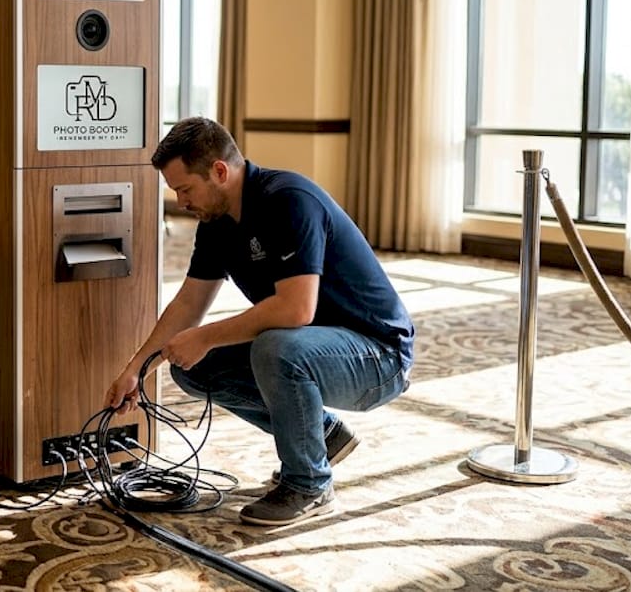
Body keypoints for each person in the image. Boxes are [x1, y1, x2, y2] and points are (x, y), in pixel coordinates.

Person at [104, 117, 414, 526]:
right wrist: (137, 371)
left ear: (219, 171)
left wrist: (206, 336)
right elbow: (187, 305)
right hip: (315, 346)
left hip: (377, 356)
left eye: (184, 189)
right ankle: (321, 435)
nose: (180, 202)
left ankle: (309, 484)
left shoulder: (288, 200)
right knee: (194, 368)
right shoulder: (216, 222)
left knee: (277, 347)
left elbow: (295, 310)